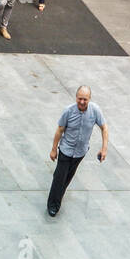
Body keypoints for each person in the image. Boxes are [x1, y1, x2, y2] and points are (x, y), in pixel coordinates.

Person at [46, 85, 108, 217]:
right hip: (66, 150)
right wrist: (53, 150)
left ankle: (57, 197)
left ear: (89, 99)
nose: (82, 102)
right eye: (80, 98)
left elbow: (104, 128)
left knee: (67, 177)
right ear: (76, 97)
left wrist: (104, 148)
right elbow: (59, 130)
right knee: (59, 178)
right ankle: (53, 205)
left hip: (80, 152)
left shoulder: (95, 111)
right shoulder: (68, 111)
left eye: (85, 99)